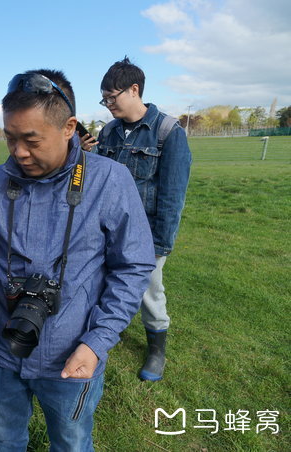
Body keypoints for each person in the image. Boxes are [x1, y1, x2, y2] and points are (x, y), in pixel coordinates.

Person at [0, 69, 155, 451]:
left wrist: (97, 342)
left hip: (72, 354)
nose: (18, 152)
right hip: (1, 346)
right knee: (4, 436)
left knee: (71, 442)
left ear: (69, 127)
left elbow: (132, 268)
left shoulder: (110, 181)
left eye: (31, 140)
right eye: (10, 138)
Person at [93, 57, 192, 382]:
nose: (108, 105)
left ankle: (156, 349)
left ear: (134, 90)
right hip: (107, 230)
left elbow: (172, 195)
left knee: (148, 291)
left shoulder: (168, 132)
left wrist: (160, 244)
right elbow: (97, 179)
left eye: (112, 97)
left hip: (146, 234)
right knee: (104, 283)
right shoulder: (108, 132)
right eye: (104, 99)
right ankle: (108, 332)